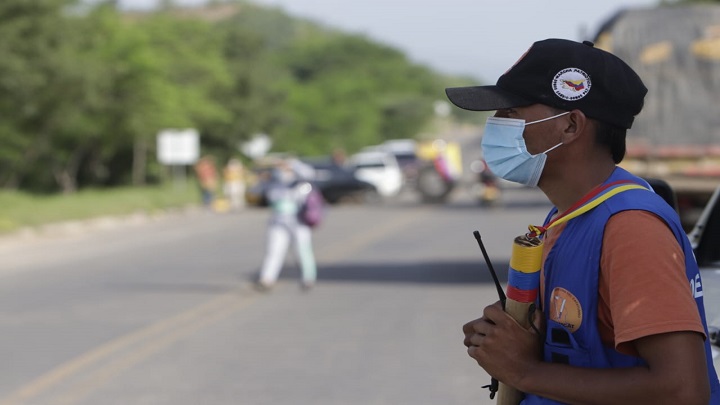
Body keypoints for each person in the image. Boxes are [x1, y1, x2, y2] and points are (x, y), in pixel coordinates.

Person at [446, 38, 719, 404]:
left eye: (510, 111)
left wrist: (524, 371)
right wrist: (514, 343)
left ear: (571, 126)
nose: (495, 125)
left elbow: (683, 391)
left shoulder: (630, 228)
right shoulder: (569, 215)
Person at [255, 159, 318, 291]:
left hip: (299, 222)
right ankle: (267, 279)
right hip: (278, 223)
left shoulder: (301, 183)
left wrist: (292, 164)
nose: (283, 171)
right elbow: (261, 191)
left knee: (302, 251)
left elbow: (310, 174)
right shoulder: (274, 184)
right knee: (274, 251)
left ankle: (308, 278)